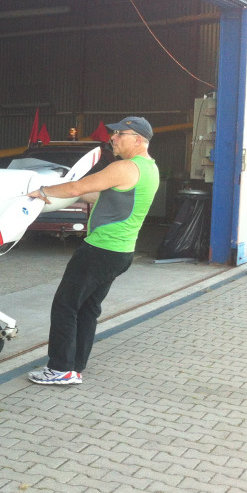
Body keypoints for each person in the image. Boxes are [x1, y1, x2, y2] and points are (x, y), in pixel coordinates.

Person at [25, 116, 160, 385]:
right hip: (121, 252)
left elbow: (77, 186)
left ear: (138, 139)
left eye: (120, 134)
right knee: (88, 308)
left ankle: (60, 368)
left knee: (65, 305)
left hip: (100, 250)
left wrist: (41, 191)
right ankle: (75, 366)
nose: (113, 138)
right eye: (114, 134)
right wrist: (68, 193)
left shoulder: (125, 167)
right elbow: (95, 194)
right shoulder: (149, 169)